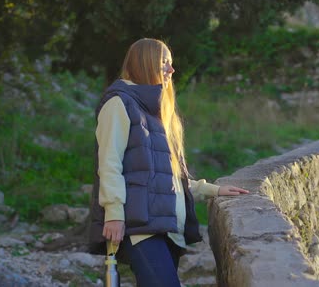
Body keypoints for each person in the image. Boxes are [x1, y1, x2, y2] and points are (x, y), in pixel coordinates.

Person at [88, 38, 248, 286]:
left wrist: (212, 190)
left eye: (171, 63)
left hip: (168, 227)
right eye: (164, 62)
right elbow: (109, 164)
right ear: (145, 61)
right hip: (139, 227)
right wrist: (114, 214)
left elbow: (171, 176)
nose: (171, 70)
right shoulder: (118, 103)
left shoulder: (160, 113)